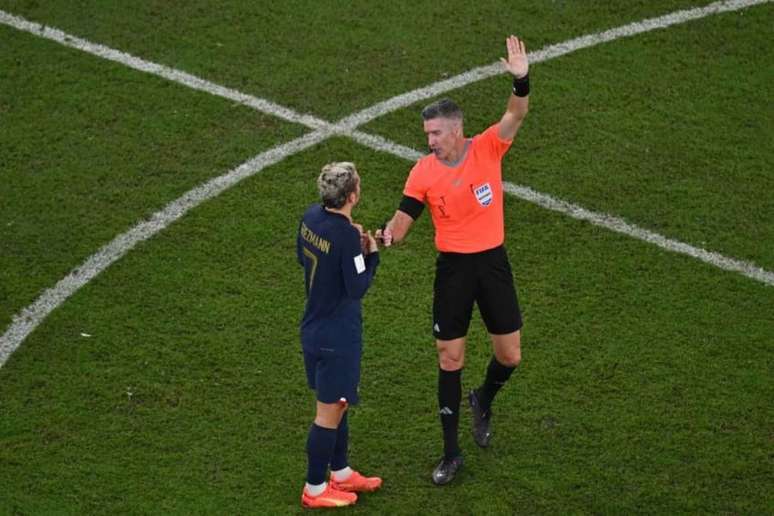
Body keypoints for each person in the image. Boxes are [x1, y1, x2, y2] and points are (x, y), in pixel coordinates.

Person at [376, 35, 530, 485]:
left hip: (492, 264)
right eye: (426, 135)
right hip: (454, 271)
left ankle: (483, 399)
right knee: (449, 358)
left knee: (511, 355)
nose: (430, 142)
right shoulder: (423, 172)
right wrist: (384, 237)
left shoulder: (487, 148)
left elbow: (516, 114)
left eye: (435, 134)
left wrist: (521, 79)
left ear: (456, 130)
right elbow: (404, 220)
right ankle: (451, 452)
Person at [297, 162, 383, 508]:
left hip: (313, 327)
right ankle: (315, 488)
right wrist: (370, 254)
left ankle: (341, 471)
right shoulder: (347, 237)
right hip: (337, 336)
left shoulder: (310, 218)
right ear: (352, 195)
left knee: (340, 403)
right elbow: (358, 286)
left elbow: (302, 259)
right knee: (328, 412)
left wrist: (348, 245)